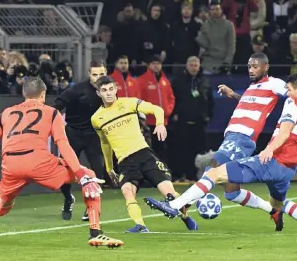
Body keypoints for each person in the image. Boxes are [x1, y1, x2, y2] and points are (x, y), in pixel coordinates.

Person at [0, 77, 123, 249]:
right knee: (90, 176)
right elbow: (64, 145)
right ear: (43, 94)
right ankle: (95, 232)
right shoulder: (51, 113)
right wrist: (80, 173)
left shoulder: (6, 113)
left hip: (11, 166)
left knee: (1, 206)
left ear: (24, 94)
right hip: (39, 162)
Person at [145, 72, 297, 235]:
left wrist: (269, 149)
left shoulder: (292, 103)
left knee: (214, 173)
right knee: (276, 205)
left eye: (290, 89)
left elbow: (285, 133)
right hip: (289, 170)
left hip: (272, 161)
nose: (287, 92)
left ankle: (174, 206)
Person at [149, 52, 288, 225]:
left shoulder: (274, 83)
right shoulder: (252, 87)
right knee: (232, 192)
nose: (251, 70)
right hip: (232, 136)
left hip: (242, 137)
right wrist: (233, 95)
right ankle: (273, 211)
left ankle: (177, 205)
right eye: (249, 67)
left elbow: (295, 96)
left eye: (255, 66)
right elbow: (248, 103)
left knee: (212, 169)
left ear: (265, 67)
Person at [91, 76, 198, 233]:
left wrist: (160, 124)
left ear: (116, 89)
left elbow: (157, 109)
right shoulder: (96, 119)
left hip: (144, 155)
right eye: (104, 90)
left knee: (168, 192)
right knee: (128, 191)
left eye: (111, 89)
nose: (109, 93)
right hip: (125, 163)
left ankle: (185, 217)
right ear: (98, 93)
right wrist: (109, 168)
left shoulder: (129, 103)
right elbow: (105, 143)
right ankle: (141, 225)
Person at [53, 60, 107, 222]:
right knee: (64, 172)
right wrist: (56, 126)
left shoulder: (109, 90)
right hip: (74, 134)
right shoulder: (77, 89)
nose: (98, 78)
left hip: (94, 135)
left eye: (101, 74)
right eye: (95, 74)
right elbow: (56, 106)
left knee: (98, 170)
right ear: (89, 75)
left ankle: (91, 207)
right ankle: (68, 198)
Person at [170, 56, 214, 181]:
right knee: (182, 150)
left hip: (200, 123)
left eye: (196, 65)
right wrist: (174, 113)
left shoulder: (204, 82)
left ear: (199, 66)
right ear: (187, 66)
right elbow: (172, 99)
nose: (194, 68)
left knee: (199, 151)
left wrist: (208, 116)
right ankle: (180, 175)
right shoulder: (178, 82)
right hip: (182, 123)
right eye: (191, 65)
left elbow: (210, 101)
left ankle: (194, 176)